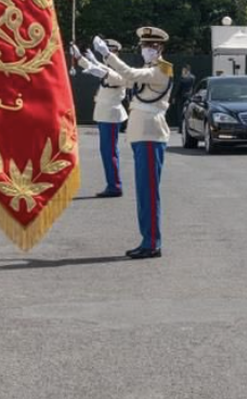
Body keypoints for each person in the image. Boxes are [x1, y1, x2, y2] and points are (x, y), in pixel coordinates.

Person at [94, 27, 173, 259]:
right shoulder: (149, 69)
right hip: (141, 134)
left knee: (148, 192)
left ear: (160, 48)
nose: (146, 50)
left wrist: (107, 55)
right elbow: (123, 78)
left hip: (150, 134)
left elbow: (129, 73)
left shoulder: (163, 69)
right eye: (144, 46)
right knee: (143, 191)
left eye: (150, 46)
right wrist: (94, 65)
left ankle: (152, 242)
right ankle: (147, 239)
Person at [71, 39, 127, 198]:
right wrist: (80, 58)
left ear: (115, 53)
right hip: (105, 115)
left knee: (109, 152)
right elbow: (98, 67)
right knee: (107, 152)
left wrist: (83, 60)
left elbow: (97, 70)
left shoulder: (121, 73)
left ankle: (114, 185)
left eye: (109, 51)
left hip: (110, 116)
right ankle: (113, 184)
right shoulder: (112, 69)